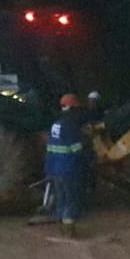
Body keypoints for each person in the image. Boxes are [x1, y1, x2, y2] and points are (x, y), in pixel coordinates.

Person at [45, 94, 87, 237]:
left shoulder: (55, 124)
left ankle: (62, 229)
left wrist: (48, 169)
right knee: (71, 200)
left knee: (61, 199)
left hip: (55, 169)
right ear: (73, 108)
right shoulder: (71, 126)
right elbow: (77, 149)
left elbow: (50, 148)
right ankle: (70, 231)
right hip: (69, 169)